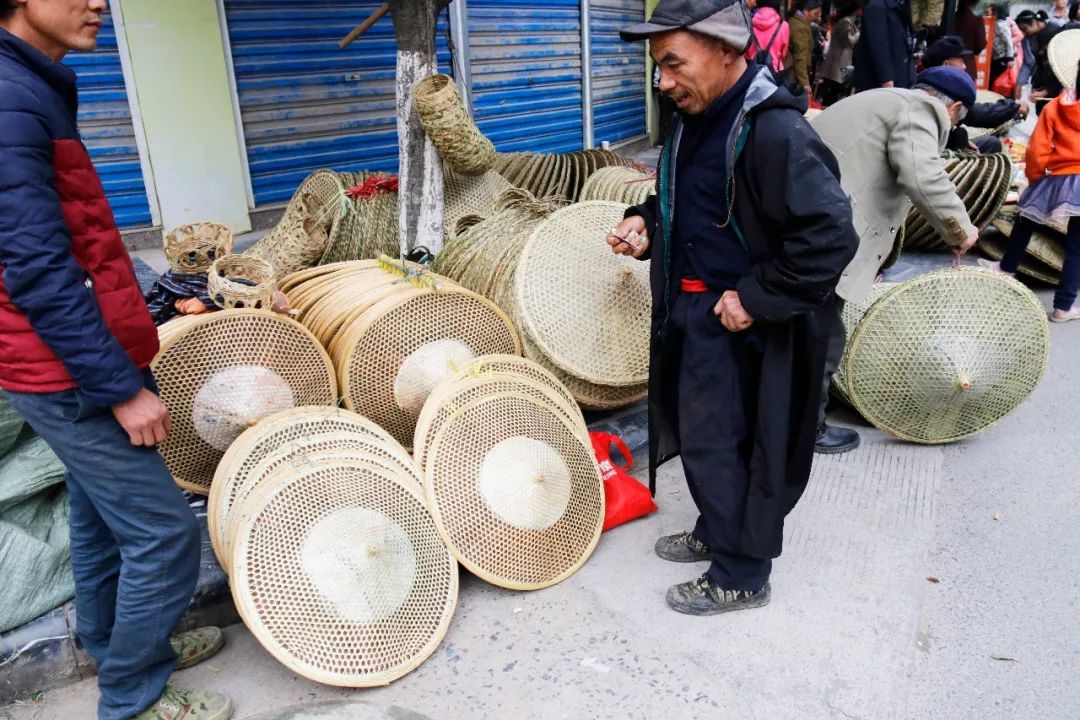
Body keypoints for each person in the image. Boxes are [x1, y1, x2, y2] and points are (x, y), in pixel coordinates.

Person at [0, 2, 232, 719]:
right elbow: (37, 270)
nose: (99, 2)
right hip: (66, 371)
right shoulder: (9, 101)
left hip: (75, 358)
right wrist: (120, 389)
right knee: (163, 535)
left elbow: (76, 244)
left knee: (100, 514)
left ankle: (110, 641)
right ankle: (131, 693)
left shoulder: (32, 84)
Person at [613, 0, 858, 616]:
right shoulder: (697, 118)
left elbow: (830, 235)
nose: (662, 82)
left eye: (673, 64)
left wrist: (754, 296)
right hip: (698, 316)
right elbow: (691, 201)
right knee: (705, 438)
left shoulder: (774, 132)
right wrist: (646, 221)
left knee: (733, 444)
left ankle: (742, 574)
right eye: (657, 68)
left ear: (727, 52)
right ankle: (718, 528)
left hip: (748, 327)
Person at [810, 66, 980, 451]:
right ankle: (808, 428)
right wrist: (960, 229)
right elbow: (922, 177)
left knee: (810, 326)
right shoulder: (923, 110)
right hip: (824, 230)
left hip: (808, 219)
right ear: (953, 108)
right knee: (822, 335)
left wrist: (881, 261)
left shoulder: (886, 99)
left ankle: (795, 418)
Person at [981, 49, 1080, 322]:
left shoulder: (1056, 106)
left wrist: (1036, 179)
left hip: (1060, 174)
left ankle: (1007, 266)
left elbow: (1037, 149)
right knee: (1077, 246)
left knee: (1026, 219)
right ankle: (1063, 307)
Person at [922, 35, 1029, 152]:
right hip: (935, 153)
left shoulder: (929, 82)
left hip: (940, 143)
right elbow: (980, 114)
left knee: (990, 142)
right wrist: (1015, 107)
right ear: (946, 65)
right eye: (961, 61)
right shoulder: (940, 92)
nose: (964, 66)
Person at [853, 0, 916, 91]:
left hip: (901, 80)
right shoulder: (876, 6)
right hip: (882, 85)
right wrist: (886, 78)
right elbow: (879, 45)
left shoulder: (901, 7)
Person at [1017, 9, 1065, 110]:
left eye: (1025, 29)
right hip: (1045, 90)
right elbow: (1034, 64)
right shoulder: (1033, 37)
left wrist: (1045, 91)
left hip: (1056, 92)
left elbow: (1058, 70)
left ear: (1034, 23)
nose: (1025, 33)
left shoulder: (1052, 34)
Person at [817, 0, 860, 106]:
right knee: (834, 88)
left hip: (838, 59)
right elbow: (849, 41)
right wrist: (859, 34)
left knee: (833, 87)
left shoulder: (845, 20)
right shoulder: (846, 22)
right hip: (839, 59)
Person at [786, 0, 822, 96]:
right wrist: (805, 83)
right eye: (816, 13)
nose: (818, 16)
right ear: (806, 11)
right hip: (792, 75)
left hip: (790, 72)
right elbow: (800, 56)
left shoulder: (796, 21)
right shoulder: (800, 26)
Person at [744, 0, 789, 75]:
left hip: (750, 72)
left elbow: (745, 50)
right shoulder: (783, 25)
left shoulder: (749, 22)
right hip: (774, 73)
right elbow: (783, 54)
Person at [954, 0, 986, 81]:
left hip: (950, 63)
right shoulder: (976, 18)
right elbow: (980, 43)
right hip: (968, 65)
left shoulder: (953, 16)